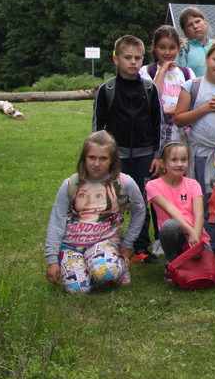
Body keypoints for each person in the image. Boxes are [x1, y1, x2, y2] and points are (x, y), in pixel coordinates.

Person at [45, 131, 146, 294]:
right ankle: (81, 266)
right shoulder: (70, 184)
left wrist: (127, 245)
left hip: (103, 242)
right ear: (84, 158)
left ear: (112, 159)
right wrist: (52, 260)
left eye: (103, 158)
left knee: (106, 273)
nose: (97, 163)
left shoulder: (124, 182)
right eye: (92, 157)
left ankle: (117, 265)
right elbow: (56, 221)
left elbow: (140, 211)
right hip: (71, 245)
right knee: (78, 290)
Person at [93, 34, 162, 263]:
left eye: (137, 58)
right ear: (116, 59)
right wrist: (103, 158)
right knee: (113, 201)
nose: (133, 62)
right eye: (127, 57)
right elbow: (97, 129)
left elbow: (157, 124)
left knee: (141, 202)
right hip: (117, 157)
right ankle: (109, 243)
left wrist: (157, 155)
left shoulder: (150, 89)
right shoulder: (107, 89)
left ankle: (141, 248)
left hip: (144, 156)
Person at [174, 40, 215, 267]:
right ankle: (210, 244)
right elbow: (179, 118)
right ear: (207, 58)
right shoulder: (193, 86)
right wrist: (204, 108)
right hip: (201, 153)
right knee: (206, 200)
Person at [146, 141, 205, 279]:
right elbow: (170, 210)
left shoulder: (193, 184)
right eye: (174, 160)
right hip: (175, 234)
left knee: (207, 273)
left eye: (183, 159)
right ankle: (172, 261)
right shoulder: (153, 185)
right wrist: (191, 232)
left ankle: (188, 259)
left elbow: (199, 214)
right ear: (162, 163)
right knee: (170, 226)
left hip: (195, 233)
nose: (179, 164)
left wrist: (196, 238)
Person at [140, 25, 193, 148]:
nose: (167, 52)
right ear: (154, 47)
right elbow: (153, 98)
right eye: (162, 47)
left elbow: (191, 103)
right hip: (155, 134)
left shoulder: (187, 73)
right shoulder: (146, 71)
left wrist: (165, 111)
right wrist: (162, 70)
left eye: (172, 48)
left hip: (181, 135)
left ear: (179, 48)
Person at [175, 6, 213, 77]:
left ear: (205, 23)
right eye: (189, 25)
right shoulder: (182, 52)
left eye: (197, 21)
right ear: (184, 31)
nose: (195, 26)